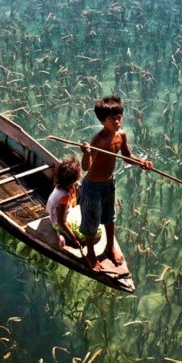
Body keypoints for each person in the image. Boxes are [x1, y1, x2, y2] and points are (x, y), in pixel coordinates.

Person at [80, 95, 153, 271]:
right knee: (92, 222)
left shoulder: (121, 136)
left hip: (108, 184)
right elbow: (85, 167)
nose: (117, 121)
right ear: (102, 120)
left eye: (119, 116)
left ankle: (110, 247)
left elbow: (127, 156)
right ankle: (90, 253)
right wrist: (86, 153)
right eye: (112, 118)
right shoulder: (98, 140)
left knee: (109, 218)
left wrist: (141, 163)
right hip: (92, 187)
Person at [46, 156, 85, 249]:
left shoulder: (59, 185)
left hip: (53, 216)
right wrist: (74, 239)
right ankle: (60, 233)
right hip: (57, 222)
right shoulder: (65, 197)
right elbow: (61, 221)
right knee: (85, 234)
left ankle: (59, 233)